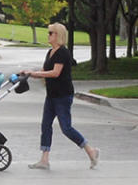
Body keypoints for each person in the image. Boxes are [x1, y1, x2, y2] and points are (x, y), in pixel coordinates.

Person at [20, 22, 99, 170]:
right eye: (48, 32)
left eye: (51, 33)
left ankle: (90, 150)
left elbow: (55, 73)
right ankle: (44, 159)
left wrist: (35, 73)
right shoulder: (50, 52)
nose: (48, 35)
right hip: (51, 95)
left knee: (66, 128)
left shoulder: (63, 52)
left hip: (63, 96)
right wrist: (29, 73)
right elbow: (44, 71)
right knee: (46, 125)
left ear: (58, 35)